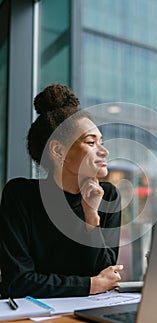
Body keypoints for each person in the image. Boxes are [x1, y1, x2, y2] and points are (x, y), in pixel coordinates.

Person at [0, 83, 123, 298]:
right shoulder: (20, 195)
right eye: (91, 142)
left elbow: (108, 277)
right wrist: (91, 285)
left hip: (87, 315)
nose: (104, 151)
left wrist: (91, 217)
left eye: (101, 142)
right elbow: (18, 282)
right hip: (30, 319)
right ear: (58, 150)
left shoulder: (107, 195)